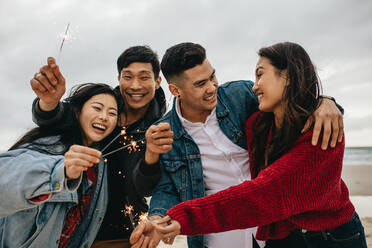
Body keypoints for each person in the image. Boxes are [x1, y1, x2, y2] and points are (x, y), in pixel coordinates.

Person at [133, 42, 368, 248]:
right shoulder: (164, 132)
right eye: (200, 83)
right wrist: (159, 218)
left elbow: (295, 104)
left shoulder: (241, 96)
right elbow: (165, 188)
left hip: (277, 228)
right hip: (220, 235)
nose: (212, 87)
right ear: (175, 90)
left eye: (213, 76)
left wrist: (326, 102)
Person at [29, 46, 173, 248]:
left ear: (158, 82)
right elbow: (55, 118)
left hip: (121, 235)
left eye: (144, 77)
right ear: (119, 78)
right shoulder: (100, 105)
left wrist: (151, 155)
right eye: (128, 76)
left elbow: (146, 188)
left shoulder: (162, 128)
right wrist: (48, 102)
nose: (135, 85)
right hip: (64, 227)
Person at [0, 83, 120, 247]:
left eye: (112, 113)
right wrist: (61, 171)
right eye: (97, 108)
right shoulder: (49, 145)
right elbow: (6, 177)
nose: (104, 117)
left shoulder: (100, 162)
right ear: (77, 112)